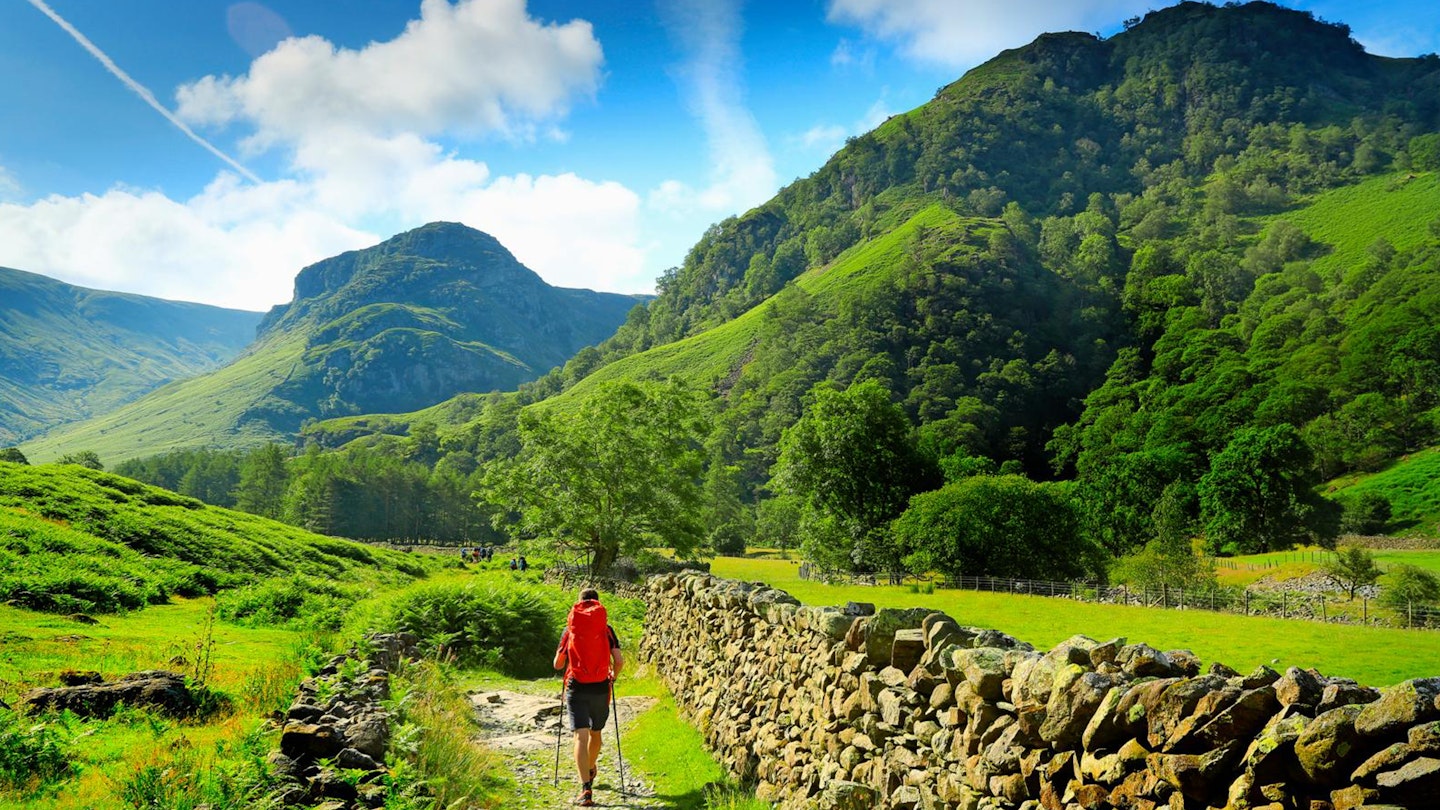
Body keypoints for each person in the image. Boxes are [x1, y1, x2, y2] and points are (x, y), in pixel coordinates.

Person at [553, 587, 623, 807]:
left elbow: (557, 664)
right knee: (596, 733)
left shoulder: (569, 630)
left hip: (576, 687)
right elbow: (619, 661)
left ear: (579, 603)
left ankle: (585, 790)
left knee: (580, 738)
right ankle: (591, 767)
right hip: (601, 687)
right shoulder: (607, 629)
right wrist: (613, 675)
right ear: (598, 605)